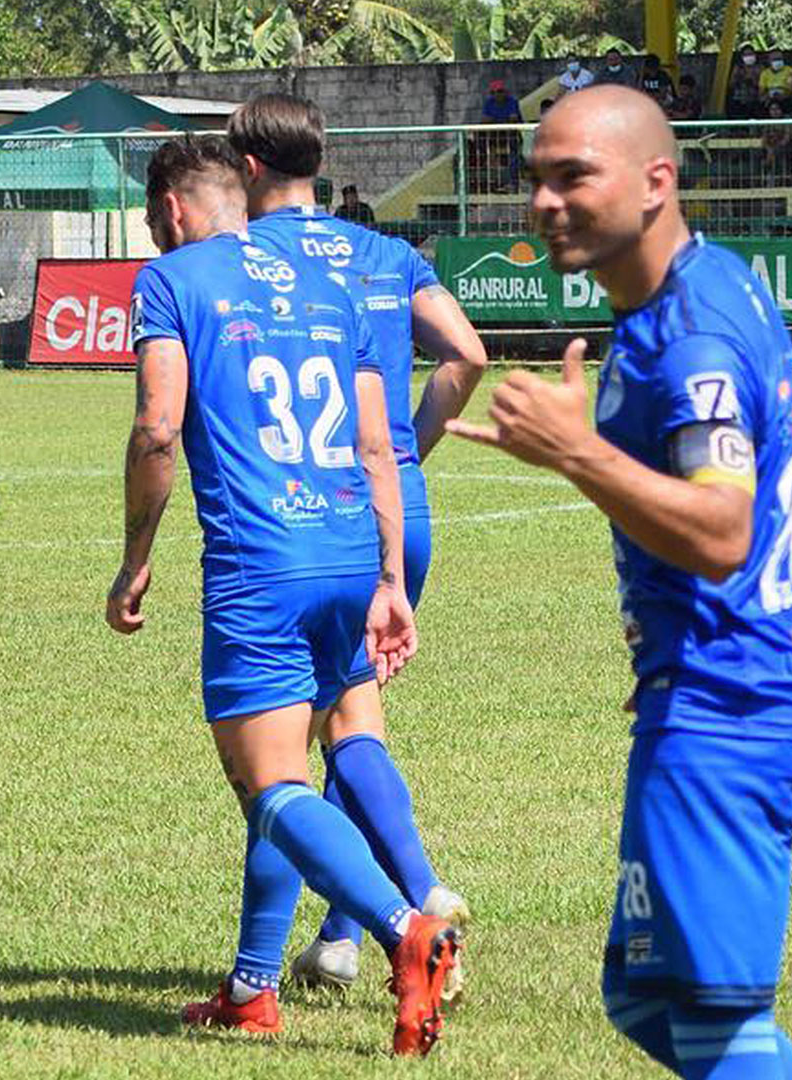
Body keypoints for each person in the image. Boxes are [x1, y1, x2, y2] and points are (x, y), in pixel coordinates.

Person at [449, 85, 792, 1079]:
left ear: (657, 181)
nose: (544, 201)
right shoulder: (712, 286)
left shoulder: (692, 333)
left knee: (707, 1021)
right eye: (537, 178)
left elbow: (722, 529)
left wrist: (579, 453)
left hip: (732, 696)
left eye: (574, 175)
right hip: (716, 674)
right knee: (643, 994)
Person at [107, 134, 457, 1056]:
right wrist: (388, 578)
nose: (155, 234)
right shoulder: (333, 285)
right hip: (350, 549)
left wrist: (135, 558)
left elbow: (155, 429)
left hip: (262, 562)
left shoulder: (172, 281)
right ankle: (254, 988)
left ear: (175, 210)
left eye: (152, 221)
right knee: (298, 774)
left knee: (272, 785)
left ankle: (403, 928)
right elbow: (381, 446)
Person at [223, 92, 488, 1001]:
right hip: (394, 502)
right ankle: (338, 939)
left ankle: (404, 903)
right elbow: (468, 353)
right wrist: (415, 442)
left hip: (301, 511)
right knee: (352, 718)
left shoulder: (242, 259)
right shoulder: (384, 252)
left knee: (283, 755)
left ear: (246, 168)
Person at [728, 46, 764, 119]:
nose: (749, 57)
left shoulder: (760, 68)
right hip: (739, 98)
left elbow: (763, 85)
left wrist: (753, 79)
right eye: (746, 55)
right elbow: (731, 84)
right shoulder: (738, 67)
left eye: (750, 54)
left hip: (756, 98)